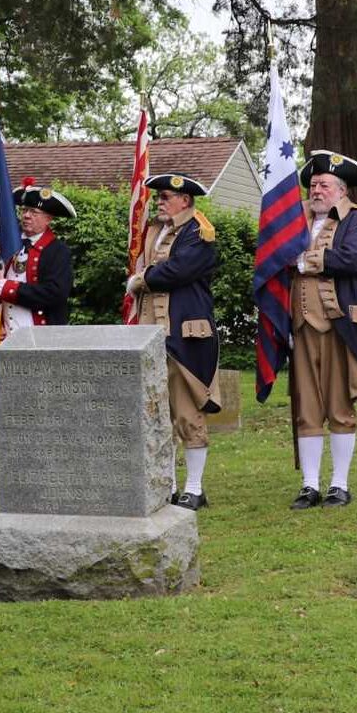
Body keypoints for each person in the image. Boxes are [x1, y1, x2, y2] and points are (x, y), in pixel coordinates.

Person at [127, 173, 222, 509]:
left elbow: (178, 270)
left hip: (186, 335)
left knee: (187, 413)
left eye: (167, 197)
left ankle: (194, 488)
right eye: (159, 197)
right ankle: (166, 485)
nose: (160, 202)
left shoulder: (199, 231)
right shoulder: (154, 229)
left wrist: (141, 279)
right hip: (150, 334)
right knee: (157, 416)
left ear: (185, 200)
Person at [287, 150, 357, 509]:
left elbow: (354, 258)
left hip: (341, 324)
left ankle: (339, 483)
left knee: (340, 406)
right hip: (301, 325)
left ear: (341, 190)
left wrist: (308, 262)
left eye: (324, 185)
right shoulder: (296, 223)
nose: (316, 190)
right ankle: (310, 484)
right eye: (312, 184)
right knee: (306, 408)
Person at [0, 177, 73, 331]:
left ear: (48, 219)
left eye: (34, 212)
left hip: (40, 337)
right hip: (5, 336)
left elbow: (55, 294)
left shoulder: (58, 251)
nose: (26, 215)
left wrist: (8, 287)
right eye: (24, 210)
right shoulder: (9, 245)